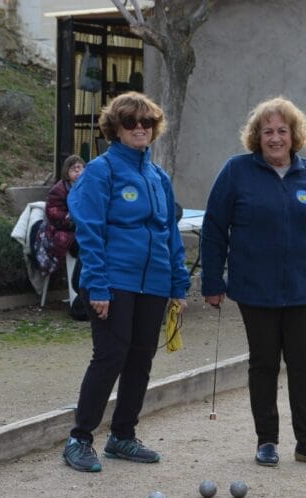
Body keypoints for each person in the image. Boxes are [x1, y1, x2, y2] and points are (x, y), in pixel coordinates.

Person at [200, 96, 306, 469]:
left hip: (303, 289)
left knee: (302, 363)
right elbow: (214, 228)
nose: (275, 138)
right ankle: (267, 441)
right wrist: (212, 282)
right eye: (268, 132)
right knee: (263, 364)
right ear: (256, 136)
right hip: (254, 289)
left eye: (282, 131)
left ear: (294, 135)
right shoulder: (236, 172)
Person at [61, 92, 190, 473]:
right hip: (113, 280)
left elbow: (170, 233)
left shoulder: (157, 177)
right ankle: (79, 438)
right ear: (115, 128)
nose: (139, 128)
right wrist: (97, 286)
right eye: (131, 122)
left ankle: (122, 436)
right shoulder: (101, 171)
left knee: (140, 359)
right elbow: (90, 231)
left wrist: (178, 285)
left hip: (153, 283)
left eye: (146, 122)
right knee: (110, 357)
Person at [45, 153, 85, 263]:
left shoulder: (89, 185)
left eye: (80, 168)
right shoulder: (58, 190)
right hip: (64, 228)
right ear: (66, 172)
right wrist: (74, 221)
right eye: (73, 169)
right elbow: (54, 214)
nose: (77, 171)